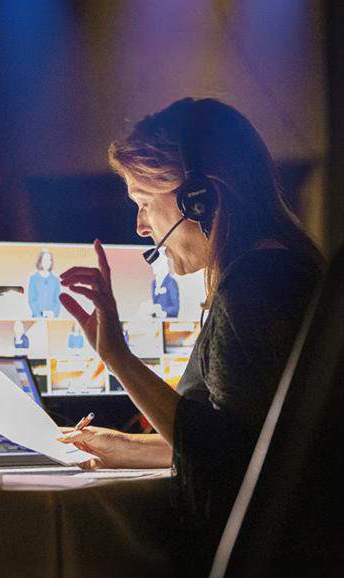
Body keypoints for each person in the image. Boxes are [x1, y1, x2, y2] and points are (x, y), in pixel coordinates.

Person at [57, 97, 323, 572]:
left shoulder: (254, 286)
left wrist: (117, 356)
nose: (140, 226)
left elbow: (225, 461)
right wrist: (127, 446)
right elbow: (252, 437)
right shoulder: (282, 264)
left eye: (143, 203)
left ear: (197, 198)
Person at [28, 248, 61, 318]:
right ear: (40, 261)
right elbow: (31, 300)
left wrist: (53, 314)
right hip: (37, 317)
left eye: (49, 260)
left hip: (52, 318)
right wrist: (39, 315)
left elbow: (58, 301)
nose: (47, 262)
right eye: (45, 259)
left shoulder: (55, 280)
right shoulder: (33, 279)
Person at [150, 248, 180, 317]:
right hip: (155, 321)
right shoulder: (154, 283)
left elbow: (175, 309)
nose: (153, 268)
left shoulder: (171, 282)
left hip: (168, 322)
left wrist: (161, 310)